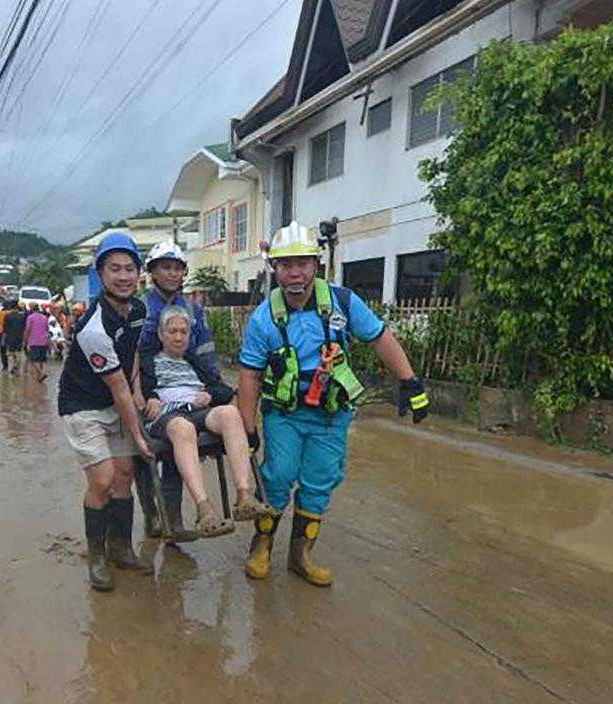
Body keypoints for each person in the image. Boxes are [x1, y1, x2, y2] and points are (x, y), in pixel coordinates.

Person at [237, 221, 430, 587]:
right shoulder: (263, 318)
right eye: (286, 264)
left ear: (316, 265)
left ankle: (300, 555)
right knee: (277, 476)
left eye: (303, 263)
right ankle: (261, 546)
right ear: (274, 269)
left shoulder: (343, 302)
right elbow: (249, 377)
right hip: (285, 414)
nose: (295, 272)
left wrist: (410, 381)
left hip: (330, 413)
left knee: (320, 480)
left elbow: (379, 337)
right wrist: (248, 429)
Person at [58, 232, 155, 592]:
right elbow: (117, 389)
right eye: (115, 269)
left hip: (117, 401)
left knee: (125, 474)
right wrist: (140, 435)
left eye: (130, 268)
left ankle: (121, 548)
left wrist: (140, 389)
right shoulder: (93, 327)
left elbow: (131, 361)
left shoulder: (140, 311)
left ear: (139, 273)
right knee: (102, 479)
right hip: (82, 405)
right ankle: (96, 556)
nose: (124, 276)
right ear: (100, 273)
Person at [141, 305, 275, 537]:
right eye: (172, 331)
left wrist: (210, 395)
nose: (178, 337)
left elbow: (223, 389)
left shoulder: (195, 362)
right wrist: (151, 396)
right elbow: (137, 389)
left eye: (183, 332)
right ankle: (205, 509)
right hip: (168, 415)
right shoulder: (147, 362)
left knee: (230, 414)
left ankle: (244, 496)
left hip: (198, 409)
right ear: (161, 334)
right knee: (184, 428)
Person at [132, 239, 217, 542]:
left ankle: (174, 522)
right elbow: (132, 356)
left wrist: (212, 387)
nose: (171, 274)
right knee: (144, 454)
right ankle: (152, 518)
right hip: (143, 390)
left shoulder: (192, 309)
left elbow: (205, 351)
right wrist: (142, 393)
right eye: (165, 268)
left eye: (176, 268)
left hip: (180, 388)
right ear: (153, 272)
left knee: (175, 452)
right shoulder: (139, 307)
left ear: (184, 273)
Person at [25, 302, 51, 381]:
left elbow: (28, 329)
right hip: (44, 341)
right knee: (41, 360)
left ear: (32, 309)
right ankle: (38, 377)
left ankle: (41, 373)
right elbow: (47, 329)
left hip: (34, 341)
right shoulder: (45, 317)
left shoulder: (30, 317)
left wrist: (26, 340)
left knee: (33, 360)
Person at [2, 299, 27, 374]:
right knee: (19, 352)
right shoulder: (22, 316)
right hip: (19, 337)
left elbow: (5, 328)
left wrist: (4, 338)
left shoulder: (7, 316)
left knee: (10, 352)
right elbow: (24, 328)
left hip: (10, 337)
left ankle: (12, 365)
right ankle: (17, 366)